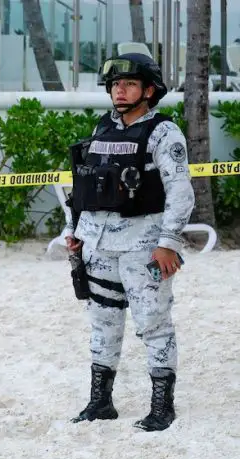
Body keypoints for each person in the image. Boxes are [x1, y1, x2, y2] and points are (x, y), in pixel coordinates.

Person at [63, 53, 195, 432]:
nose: (120, 90)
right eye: (115, 85)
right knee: (103, 323)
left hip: (145, 246)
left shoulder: (163, 133)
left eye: (130, 84)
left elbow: (181, 192)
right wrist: (78, 234)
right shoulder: (103, 128)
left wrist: (169, 243)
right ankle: (101, 402)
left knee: (153, 324)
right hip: (98, 245)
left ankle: (162, 407)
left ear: (149, 91)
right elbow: (88, 185)